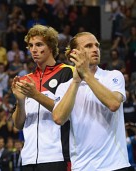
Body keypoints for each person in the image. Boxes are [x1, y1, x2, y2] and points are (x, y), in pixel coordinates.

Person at [52, 32, 131, 170]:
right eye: (88, 46)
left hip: (117, 165)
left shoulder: (113, 76)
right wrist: (76, 81)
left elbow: (114, 104)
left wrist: (86, 74)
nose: (95, 49)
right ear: (73, 54)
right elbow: (59, 118)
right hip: (83, 167)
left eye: (97, 45)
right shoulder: (64, 88)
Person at [11, 24, 73, 171]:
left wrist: (35, 95)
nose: (34, 49)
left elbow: (67, 113)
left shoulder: (67, 72)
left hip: (57, 156)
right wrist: (20, 101)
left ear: (51, 47)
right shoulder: (26, 79)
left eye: (39, 44)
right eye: (31, 45)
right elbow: (18, 124)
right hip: (28, 158)